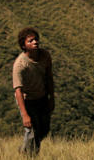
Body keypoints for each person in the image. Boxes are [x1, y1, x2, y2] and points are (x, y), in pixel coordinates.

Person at [12, 27, 55, 155]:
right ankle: (29, 155)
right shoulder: (20, 65)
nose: (35, 42)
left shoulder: (45, 55)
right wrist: (25, 115)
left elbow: (49, 77)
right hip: (28, 101)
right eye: (30, 41)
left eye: (36, 39)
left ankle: (23, 151)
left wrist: (51, 98)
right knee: (32, 132)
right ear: (23, 45)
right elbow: (18, 90)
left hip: (42, 98)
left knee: (44, 130)